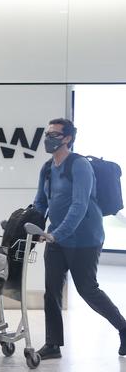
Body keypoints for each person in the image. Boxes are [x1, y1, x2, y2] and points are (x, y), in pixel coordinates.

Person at [33, 118, 126, 359]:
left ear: (67, 138)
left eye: (54, 134)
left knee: (87, 289)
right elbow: (41, 202)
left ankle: (124, 328)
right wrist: (27, 222)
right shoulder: (47, 168)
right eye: (47, 133)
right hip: (56, 239)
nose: (48, 138)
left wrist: (57, 234)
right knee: (51, 290)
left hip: (85, 238)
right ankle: (53, 344)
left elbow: (80, 204)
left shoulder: (80, 165)